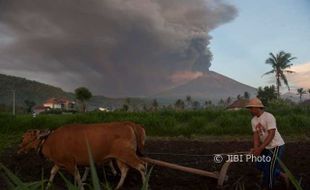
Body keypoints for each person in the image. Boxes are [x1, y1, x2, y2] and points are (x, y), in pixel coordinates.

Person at [245, 97, 288, 189]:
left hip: (277, 146)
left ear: (257, 107)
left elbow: (271, 134)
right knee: (259, 164)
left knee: (269, 169)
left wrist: (260, 149)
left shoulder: (269, 117)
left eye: (251, 108)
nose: (250, 110)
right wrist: (256, 148)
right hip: (266, 146)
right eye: (249, 108)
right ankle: (282, 175)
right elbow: (256, 135)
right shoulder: (253, 120)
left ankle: (269, 186)